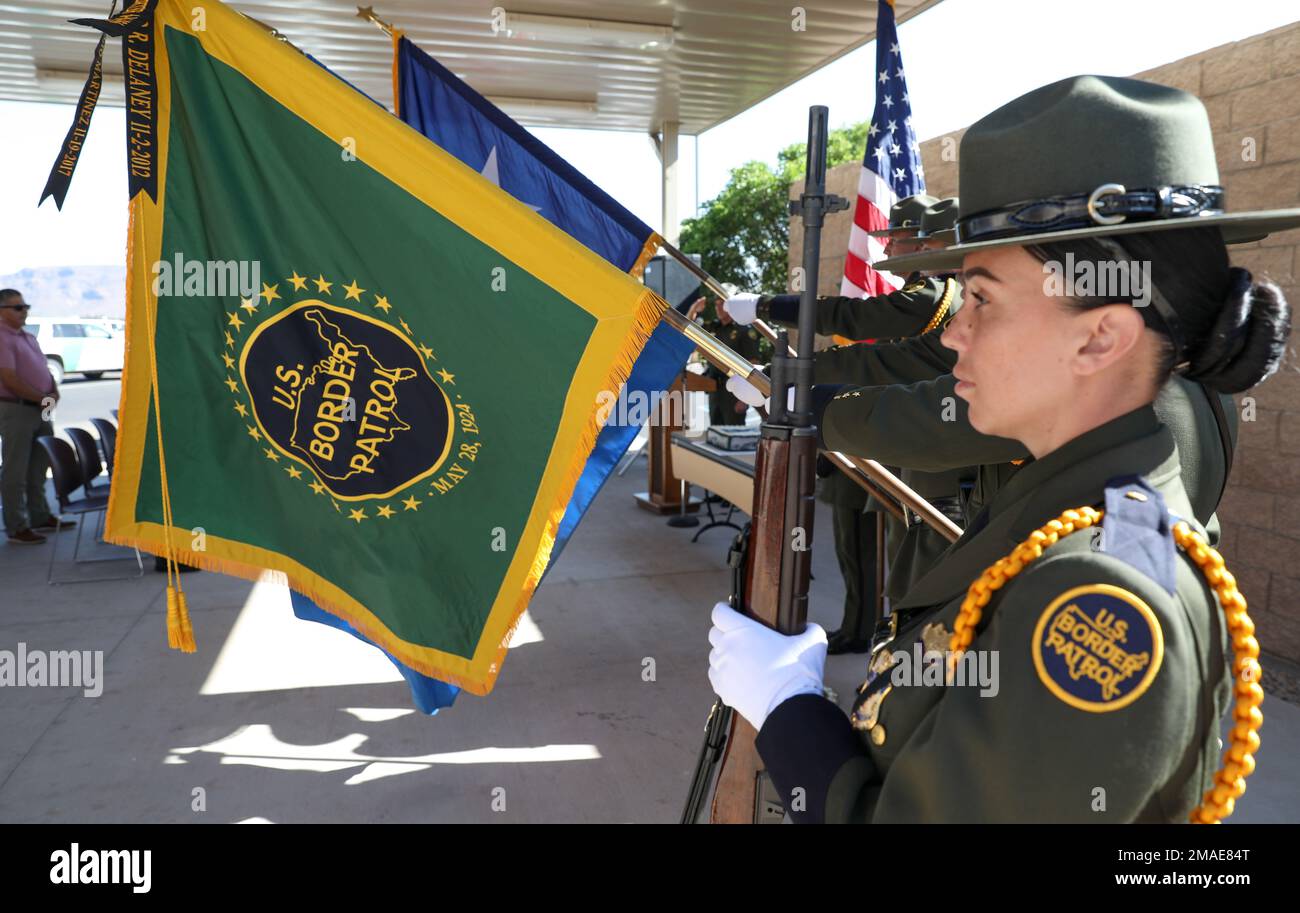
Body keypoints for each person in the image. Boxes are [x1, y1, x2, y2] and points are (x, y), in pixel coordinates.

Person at [706, 75, 1297, 822]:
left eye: (982, 298)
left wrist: (792, 717)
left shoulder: (1104, 604)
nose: (953, 331)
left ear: (1099, 337)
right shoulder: (1085, 510)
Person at [720, 198, 969, 651]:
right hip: (913, 454)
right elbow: (884, 358)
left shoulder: (940, 295)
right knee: (904, 589)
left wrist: (772, 316)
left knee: (925, 604)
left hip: (940, 469)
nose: (890, 243)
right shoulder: (952, 297)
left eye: (904, 237)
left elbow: (868, 338)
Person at [0, 289, 72, 544]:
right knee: (15, 470)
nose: (24, 311)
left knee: (39, 466)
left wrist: (52, 390)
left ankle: (40, 515)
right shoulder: (2, 338)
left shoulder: (27, 337)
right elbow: (8, 377)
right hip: (16, 409)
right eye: (17, 307)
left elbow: (42, 367)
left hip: (39, 408)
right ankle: (17, 525)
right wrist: (41, 397)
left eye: (25, 306)